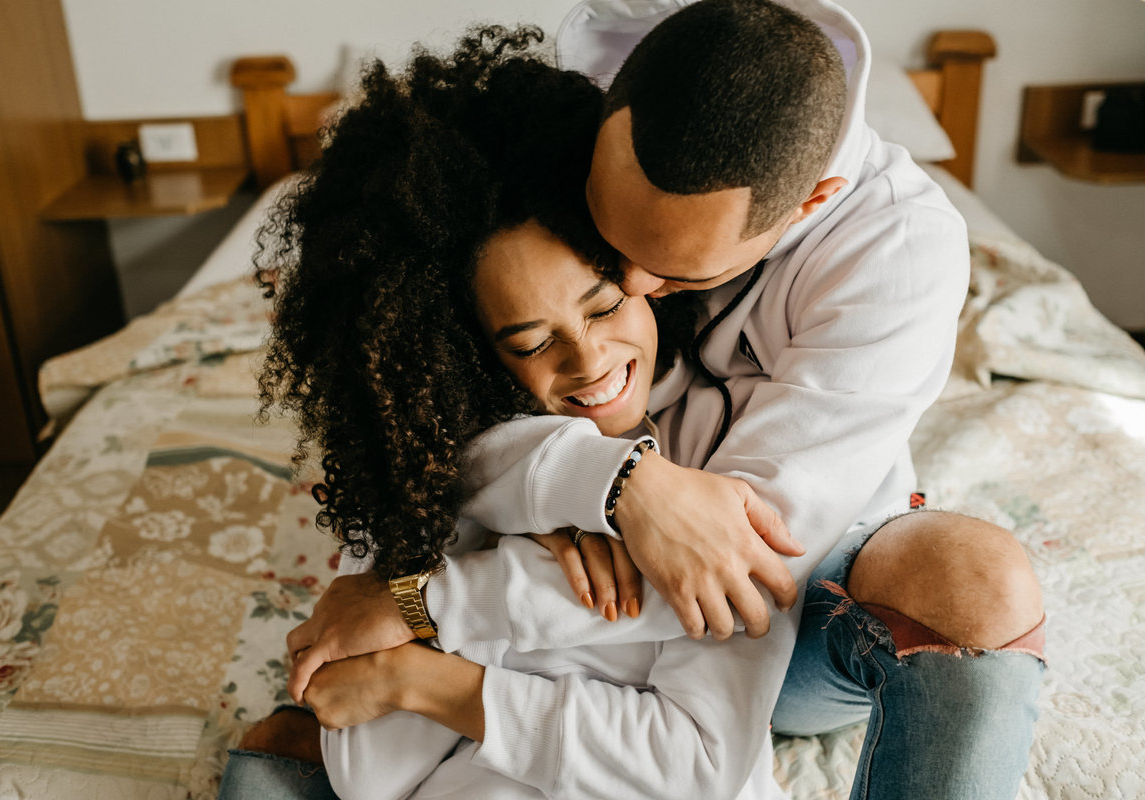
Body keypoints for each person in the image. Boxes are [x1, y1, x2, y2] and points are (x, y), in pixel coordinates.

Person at [285, 1, 1047, 798]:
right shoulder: (604, 106)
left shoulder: (899, 251)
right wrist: (611, 479)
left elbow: (741, 561)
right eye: (613, 246)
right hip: (600, 590)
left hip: (792, 590)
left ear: (807, 206)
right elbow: (440, 395)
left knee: (979, 580)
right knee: (295, 732)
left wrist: (424, 607)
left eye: (671, 277)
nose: (638, 285)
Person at [222, 26, 801, 800]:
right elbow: (367, 770)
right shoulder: (440, 474)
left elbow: (698, 765)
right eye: (531, 341)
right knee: (269, 755)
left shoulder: (722, 450)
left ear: (649, 274)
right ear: (465, 356)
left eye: (605, 306)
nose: (590, 362)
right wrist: (551, 495)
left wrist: (419, 674)